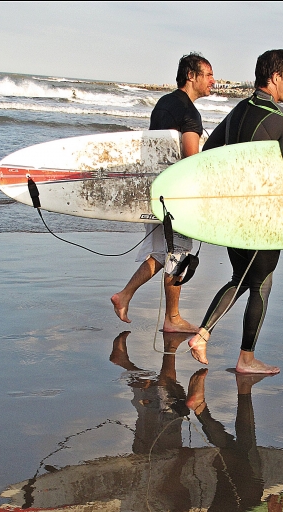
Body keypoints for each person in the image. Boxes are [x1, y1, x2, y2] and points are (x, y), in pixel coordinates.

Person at [188, 49, 283, 374]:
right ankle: (242, 356)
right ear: (276, 77)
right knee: (261, 283)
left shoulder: (238, 111)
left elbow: (209, 154)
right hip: (262, 219)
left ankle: (206, 337)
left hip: (232, 215)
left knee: (242, 277)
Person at [111, 53, 215, 333]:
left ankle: (124, 295)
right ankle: (173, 318)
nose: (213, 81)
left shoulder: (163, 104)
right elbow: (190, 158)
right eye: (207, 75)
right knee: (178, 253)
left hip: (154, 190)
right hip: (175, 196)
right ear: (191, 76)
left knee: (162, 254)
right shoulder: (190, 113)